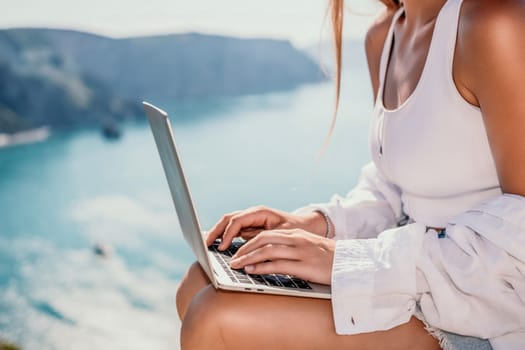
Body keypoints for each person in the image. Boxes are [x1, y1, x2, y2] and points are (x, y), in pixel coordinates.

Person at [176, 0, 525, 349]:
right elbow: (396, 186)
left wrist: (343, 260)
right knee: (198, 281)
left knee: (216, 317)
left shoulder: (493, 21)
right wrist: (317, 224)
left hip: (490, 319)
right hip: (417, 281)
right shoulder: (384, 35)